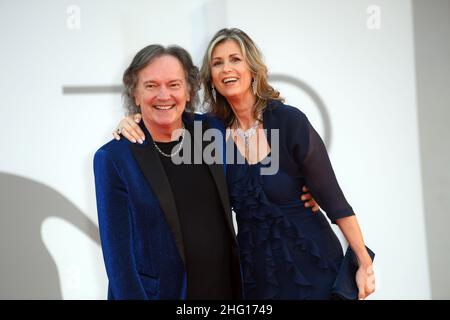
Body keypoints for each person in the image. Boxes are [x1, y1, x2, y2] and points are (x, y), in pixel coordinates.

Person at [114, 28, 374, 300]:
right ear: (211, 78)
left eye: (235, 59)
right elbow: (166, 117)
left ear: (252, 67)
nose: (227, 68)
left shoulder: (289, 122)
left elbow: (336, 202)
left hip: (312, 263)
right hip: (258, 276)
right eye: (218, 62)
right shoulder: (209, 133)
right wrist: (131, 121)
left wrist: (363, 264)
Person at [94, 44, 245, 299]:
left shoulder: (211, 132)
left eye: (174, 84)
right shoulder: (114, 158)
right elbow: (119, 260)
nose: (164, 95)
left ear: (188, 91)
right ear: (135, 94)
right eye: (151, 86)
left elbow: (258, 128)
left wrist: (302, 187)